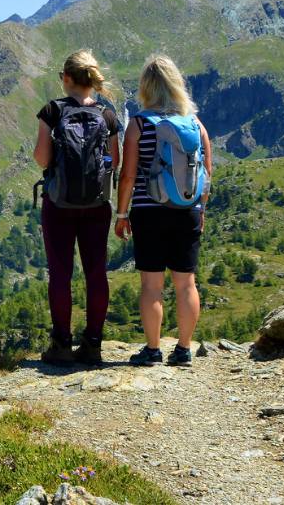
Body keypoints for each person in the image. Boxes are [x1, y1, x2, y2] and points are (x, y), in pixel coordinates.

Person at [114, 54, 212, 367]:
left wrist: (121, 214)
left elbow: (128, 175)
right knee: (186, 283)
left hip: (149, 211)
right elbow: (206, 174)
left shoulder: (139, 125)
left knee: (151, 285)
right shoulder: (195, 124)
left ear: (146, 87)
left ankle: (153, 349)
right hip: (187, 209)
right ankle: (183, 349)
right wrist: (200, 209)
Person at [33, 50, 120, 365]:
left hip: (59, 204)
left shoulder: (52, 111)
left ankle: (61, 345)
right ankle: (93, 344)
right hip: (97, 205)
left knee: (60, 274)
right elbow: (115, 162)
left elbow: (42, 159)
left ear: (66, 79)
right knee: (96, 273)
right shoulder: (107, 114)